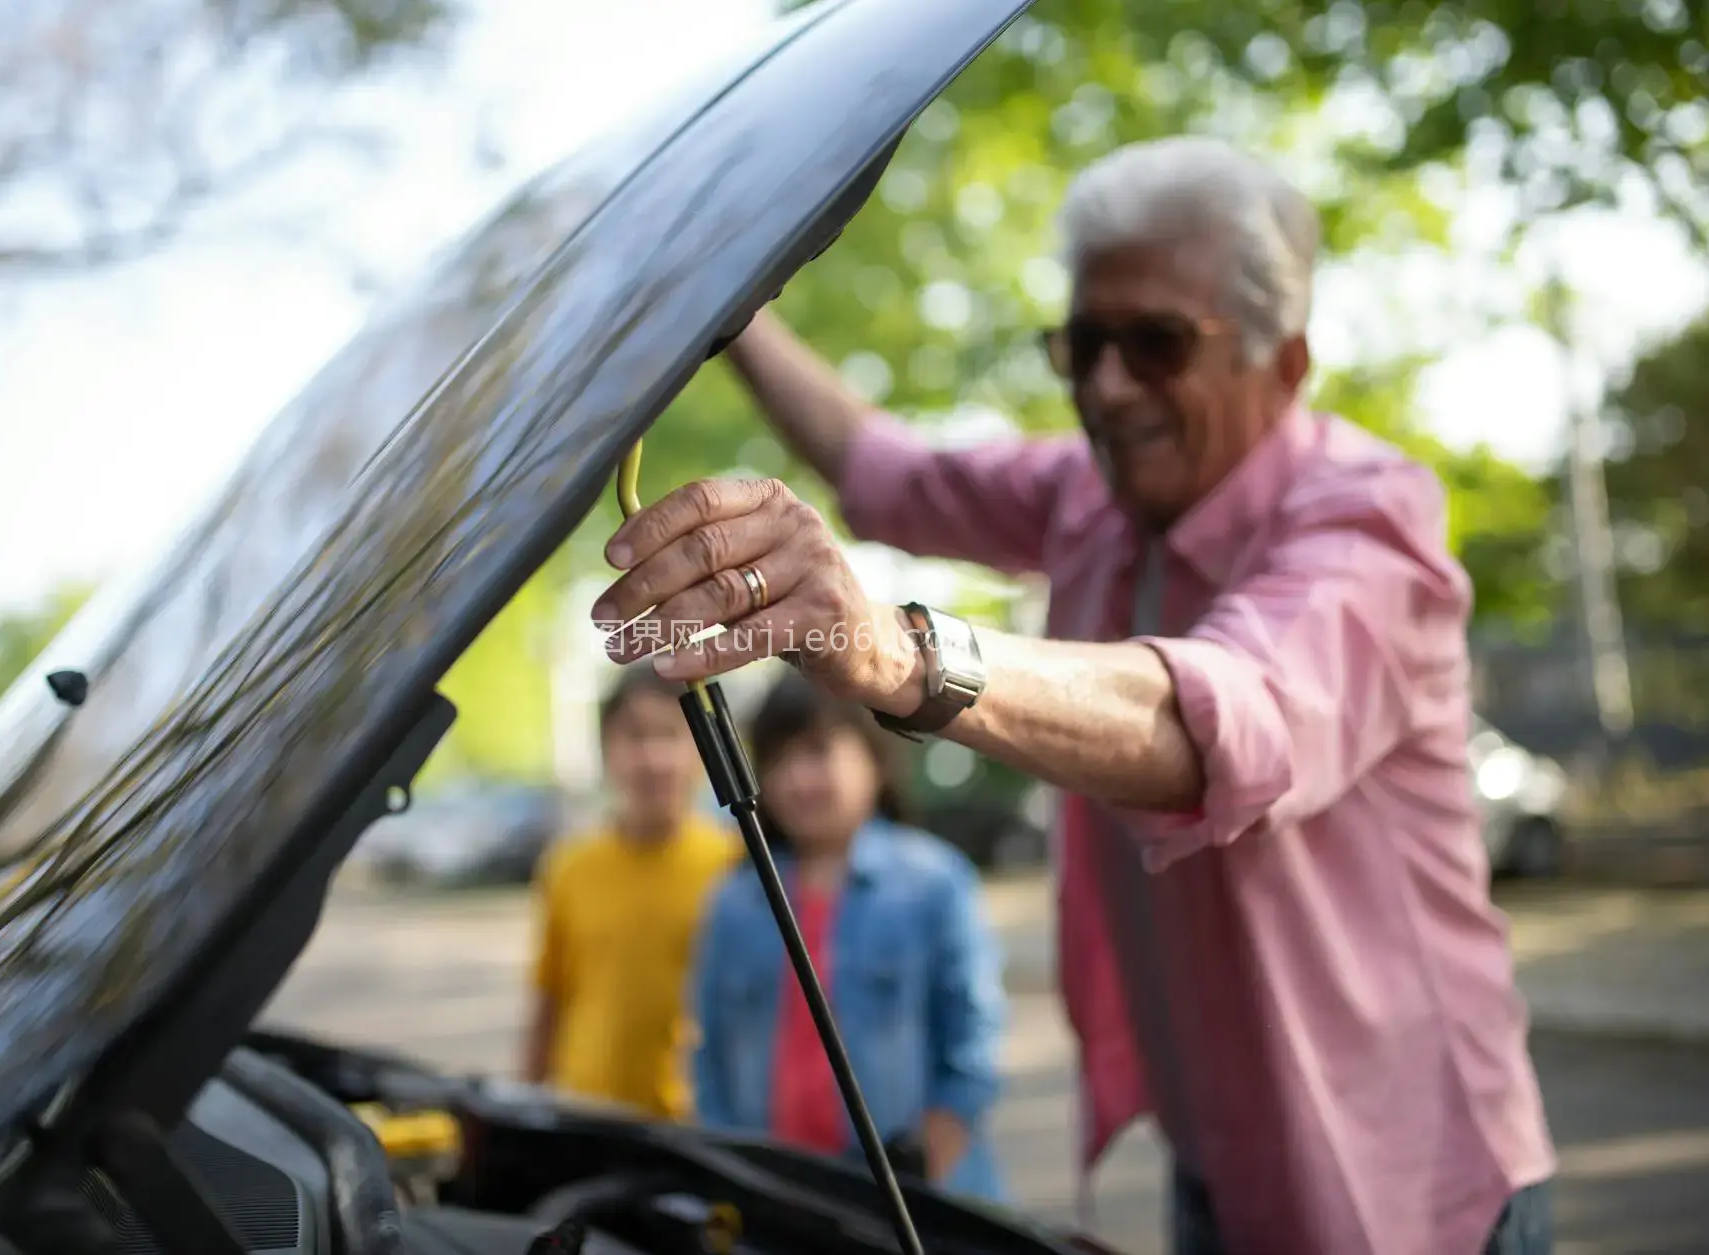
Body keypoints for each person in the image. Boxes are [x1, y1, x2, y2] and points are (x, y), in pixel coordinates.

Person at [586, 136, 1557, 1255]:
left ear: (1281, 365)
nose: (1104, 386)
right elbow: (883, 472)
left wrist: (895, 654)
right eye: (1084, 343)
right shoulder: (1084, 498)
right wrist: (731, 306)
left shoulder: (1367, 519)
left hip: (1405, 1173)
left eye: (1154, 345)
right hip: (1218, 1162)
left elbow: (1222, 716)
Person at [688, 670, 1008, 1201]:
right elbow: (710, 1052)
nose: (797, 779)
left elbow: (973, 1036)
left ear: (874, 760)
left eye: (818, 752)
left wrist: (934, 1147)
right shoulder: (735, 901)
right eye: (779, 758)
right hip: (779, 1194)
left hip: (911, 1196)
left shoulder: (933, 882)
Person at [522, 667, 738, 1120]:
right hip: (587, 1113)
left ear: (701, 751)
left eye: (669, 735)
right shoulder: (569, 866)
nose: (653, 758)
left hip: (698, 1122)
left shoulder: (736, 865)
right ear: (607, 751)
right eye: (634, 736)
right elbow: (549, 1003)